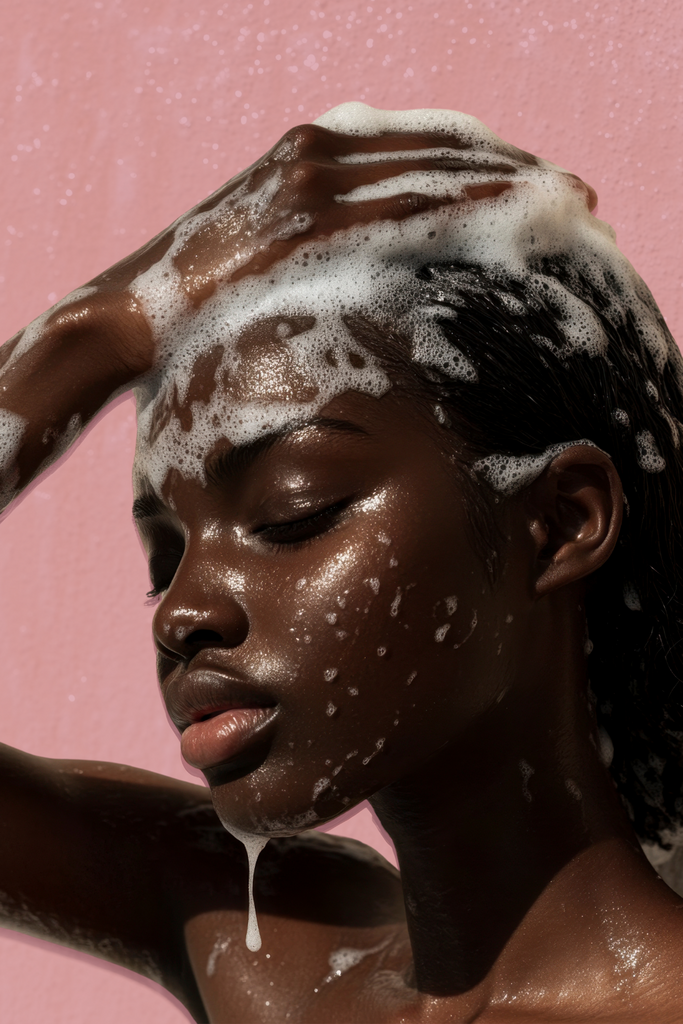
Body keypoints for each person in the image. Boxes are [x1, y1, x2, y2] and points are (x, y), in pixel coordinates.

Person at [1, 101, 683, 1022]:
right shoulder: (265, 956)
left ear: (561, 522)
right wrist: (119, 321)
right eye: (163, 559)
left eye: (292, 514)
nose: (181, 611)